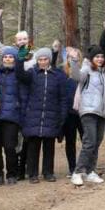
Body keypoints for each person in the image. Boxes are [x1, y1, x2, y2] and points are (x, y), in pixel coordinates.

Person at [16, 46, 73, 182]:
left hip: (51, 116)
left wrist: (62, 115)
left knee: (49, 146)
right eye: (40, 59)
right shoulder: (32, 73)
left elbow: (63, 98)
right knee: (33, 147)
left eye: (45, 59)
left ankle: (48, 172)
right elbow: (19, 75)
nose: (42, 62)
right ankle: (33, 174)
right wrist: (20, 59)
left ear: (49, 60)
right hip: (33, 116)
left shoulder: (57, 76)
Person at [71, 46, 105, 185]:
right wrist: (74, 61)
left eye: (101, 57)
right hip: (88, 111)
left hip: (101, 112)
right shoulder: (87, 69)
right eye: (97, 57)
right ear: (91, 58)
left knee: (96, 143)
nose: (99, 59)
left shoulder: (104, 73)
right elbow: (76, 76)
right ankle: (78, 172)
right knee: (89, 142)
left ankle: (90, 171)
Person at [0, 44, 24, 184]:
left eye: (10, 57)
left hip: (12, 117)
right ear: (2, 59)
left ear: (14, 59)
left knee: (10, 147)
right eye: (5, 57)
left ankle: (11, 174)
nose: (8, 59)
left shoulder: (19, 74)